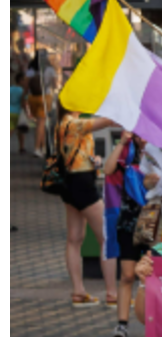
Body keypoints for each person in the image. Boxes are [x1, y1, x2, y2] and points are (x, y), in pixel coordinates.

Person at [55, 108, 119, 307]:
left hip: (71, 182)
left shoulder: (65, 124)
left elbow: (79, 153)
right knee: (107, 238)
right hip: (82, 185)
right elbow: (107, 121)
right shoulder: (73, 123)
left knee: (74, 238)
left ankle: (78, 292)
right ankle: (112, 294)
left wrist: (95, 160)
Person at [103, 132, 149, 337]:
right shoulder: (127, 150)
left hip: (154, 221)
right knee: (127, 275)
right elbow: (107, 169)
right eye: (139, 134)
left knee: (151, 276)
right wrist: (122, 142)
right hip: (129, 219)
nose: (142, 139)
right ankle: (122, 325)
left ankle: (152, 324)